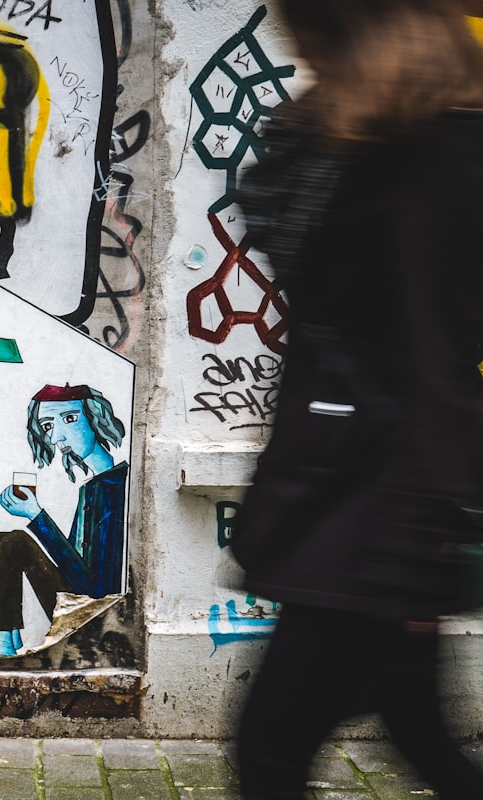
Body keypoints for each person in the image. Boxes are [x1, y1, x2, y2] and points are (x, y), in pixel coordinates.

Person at [230, 1, 483, 796]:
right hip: (346, 491)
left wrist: (425, 542)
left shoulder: (436, 150)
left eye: (300, 25)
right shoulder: (352, 136)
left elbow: (438, 352)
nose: (290, 42)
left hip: (380, 516)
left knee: (268, 755)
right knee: (423, 740)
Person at [0, 384, 128, 656]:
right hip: (80, 598)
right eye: (47, 426)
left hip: (94, 612)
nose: (57, 435)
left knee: (15, 542)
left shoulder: (116, 485)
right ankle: (6, 637)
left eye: (70, 419)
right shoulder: (93, 487)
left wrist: (38, 518)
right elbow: (73, 562)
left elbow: (95, 586)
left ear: (95, 418)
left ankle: (4, 641)